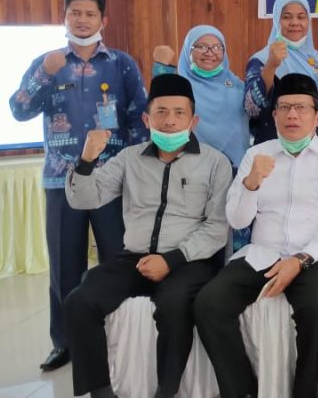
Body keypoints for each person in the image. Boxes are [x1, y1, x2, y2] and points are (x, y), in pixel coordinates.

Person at [63, 74, 231, 398]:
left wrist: (171, 260)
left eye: (179, 113)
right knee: (78, 302)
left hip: (189, 260)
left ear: (193, 120)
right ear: (146, 118)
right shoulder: (129, 159)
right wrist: (86, 161)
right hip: (134, 259)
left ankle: (166, 391)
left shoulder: (215, 163)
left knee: (174, 303)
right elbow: (84, 199)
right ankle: (101, 391)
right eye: (161, 112)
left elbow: (217, 227)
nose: (170, 121)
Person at [9, 0, 148, 372]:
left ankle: (119, 333)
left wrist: (138, 173)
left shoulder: (121, 64)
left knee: (117, 260)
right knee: (64, 265)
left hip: (111, 181)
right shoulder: (48, 63)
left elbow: (138, 119)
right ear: (64, 17)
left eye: (90, 14)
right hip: (61, 180)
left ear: (104, 20)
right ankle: (66, 342)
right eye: (75, 13)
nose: (82, 20)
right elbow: (19, 110)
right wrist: (43, 74)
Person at [195, 73, 318, 398]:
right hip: (262, 254)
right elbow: (237, 219)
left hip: (317, 256)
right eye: (284, 107)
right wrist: (251, 183)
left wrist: (300, 260)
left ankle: (304, 392)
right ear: (274, 115)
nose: (292, 115)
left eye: (301, 107)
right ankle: (242, 390)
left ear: (317, 117)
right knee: (209, 303)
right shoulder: (257, 155)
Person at [152, 25, 250, 168]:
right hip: (189, 167)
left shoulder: (237, 86)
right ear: (188, 51)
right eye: (201, 47)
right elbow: (159, 109)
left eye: (217, 47)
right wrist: (161, 65)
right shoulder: (177, 86)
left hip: (236, 167)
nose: (209, 53)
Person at [244, 0, 318, 143]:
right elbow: (252, 108)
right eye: (286, 17)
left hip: (315, 145)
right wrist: (271, 65)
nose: (294, 22)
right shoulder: (261, 60)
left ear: (308, 21)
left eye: (301, 17)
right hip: (275, 144)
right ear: (277, 21)